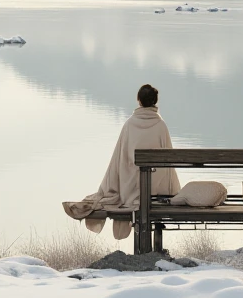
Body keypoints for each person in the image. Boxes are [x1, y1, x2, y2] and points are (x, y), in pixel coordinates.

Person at [62, 83, 181, 240]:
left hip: (130, 191)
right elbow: (168, 165)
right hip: (156, 192)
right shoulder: (161, 126)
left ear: (138, 101)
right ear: (155, 102)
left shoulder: (129, 125)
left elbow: (118, 160)